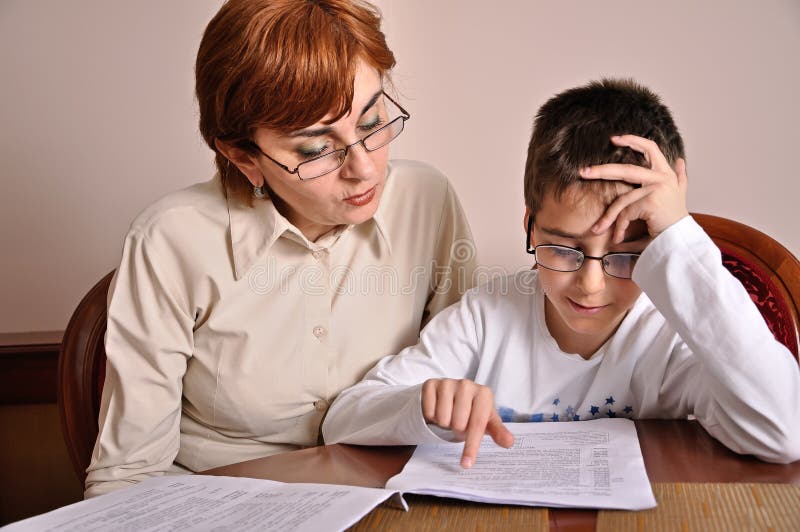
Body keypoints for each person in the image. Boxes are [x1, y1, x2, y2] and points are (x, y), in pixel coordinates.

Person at [85, 0, 477, 498]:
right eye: (315, 150)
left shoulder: (427, 200)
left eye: (373, 121)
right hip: (221, 508)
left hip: (393, 499)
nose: (365, 168)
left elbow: (468, 369)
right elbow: (128, 474)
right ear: (242, 155)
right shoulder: (171, 241)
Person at [322, 78, 800, 467]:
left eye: (629, 256)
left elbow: (783, 431)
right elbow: (342, 420)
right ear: (529, 224)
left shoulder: (671, 333)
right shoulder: (485, 319)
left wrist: (678, 235)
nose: (591, 285)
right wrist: (424, 405)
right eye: (564, 249)